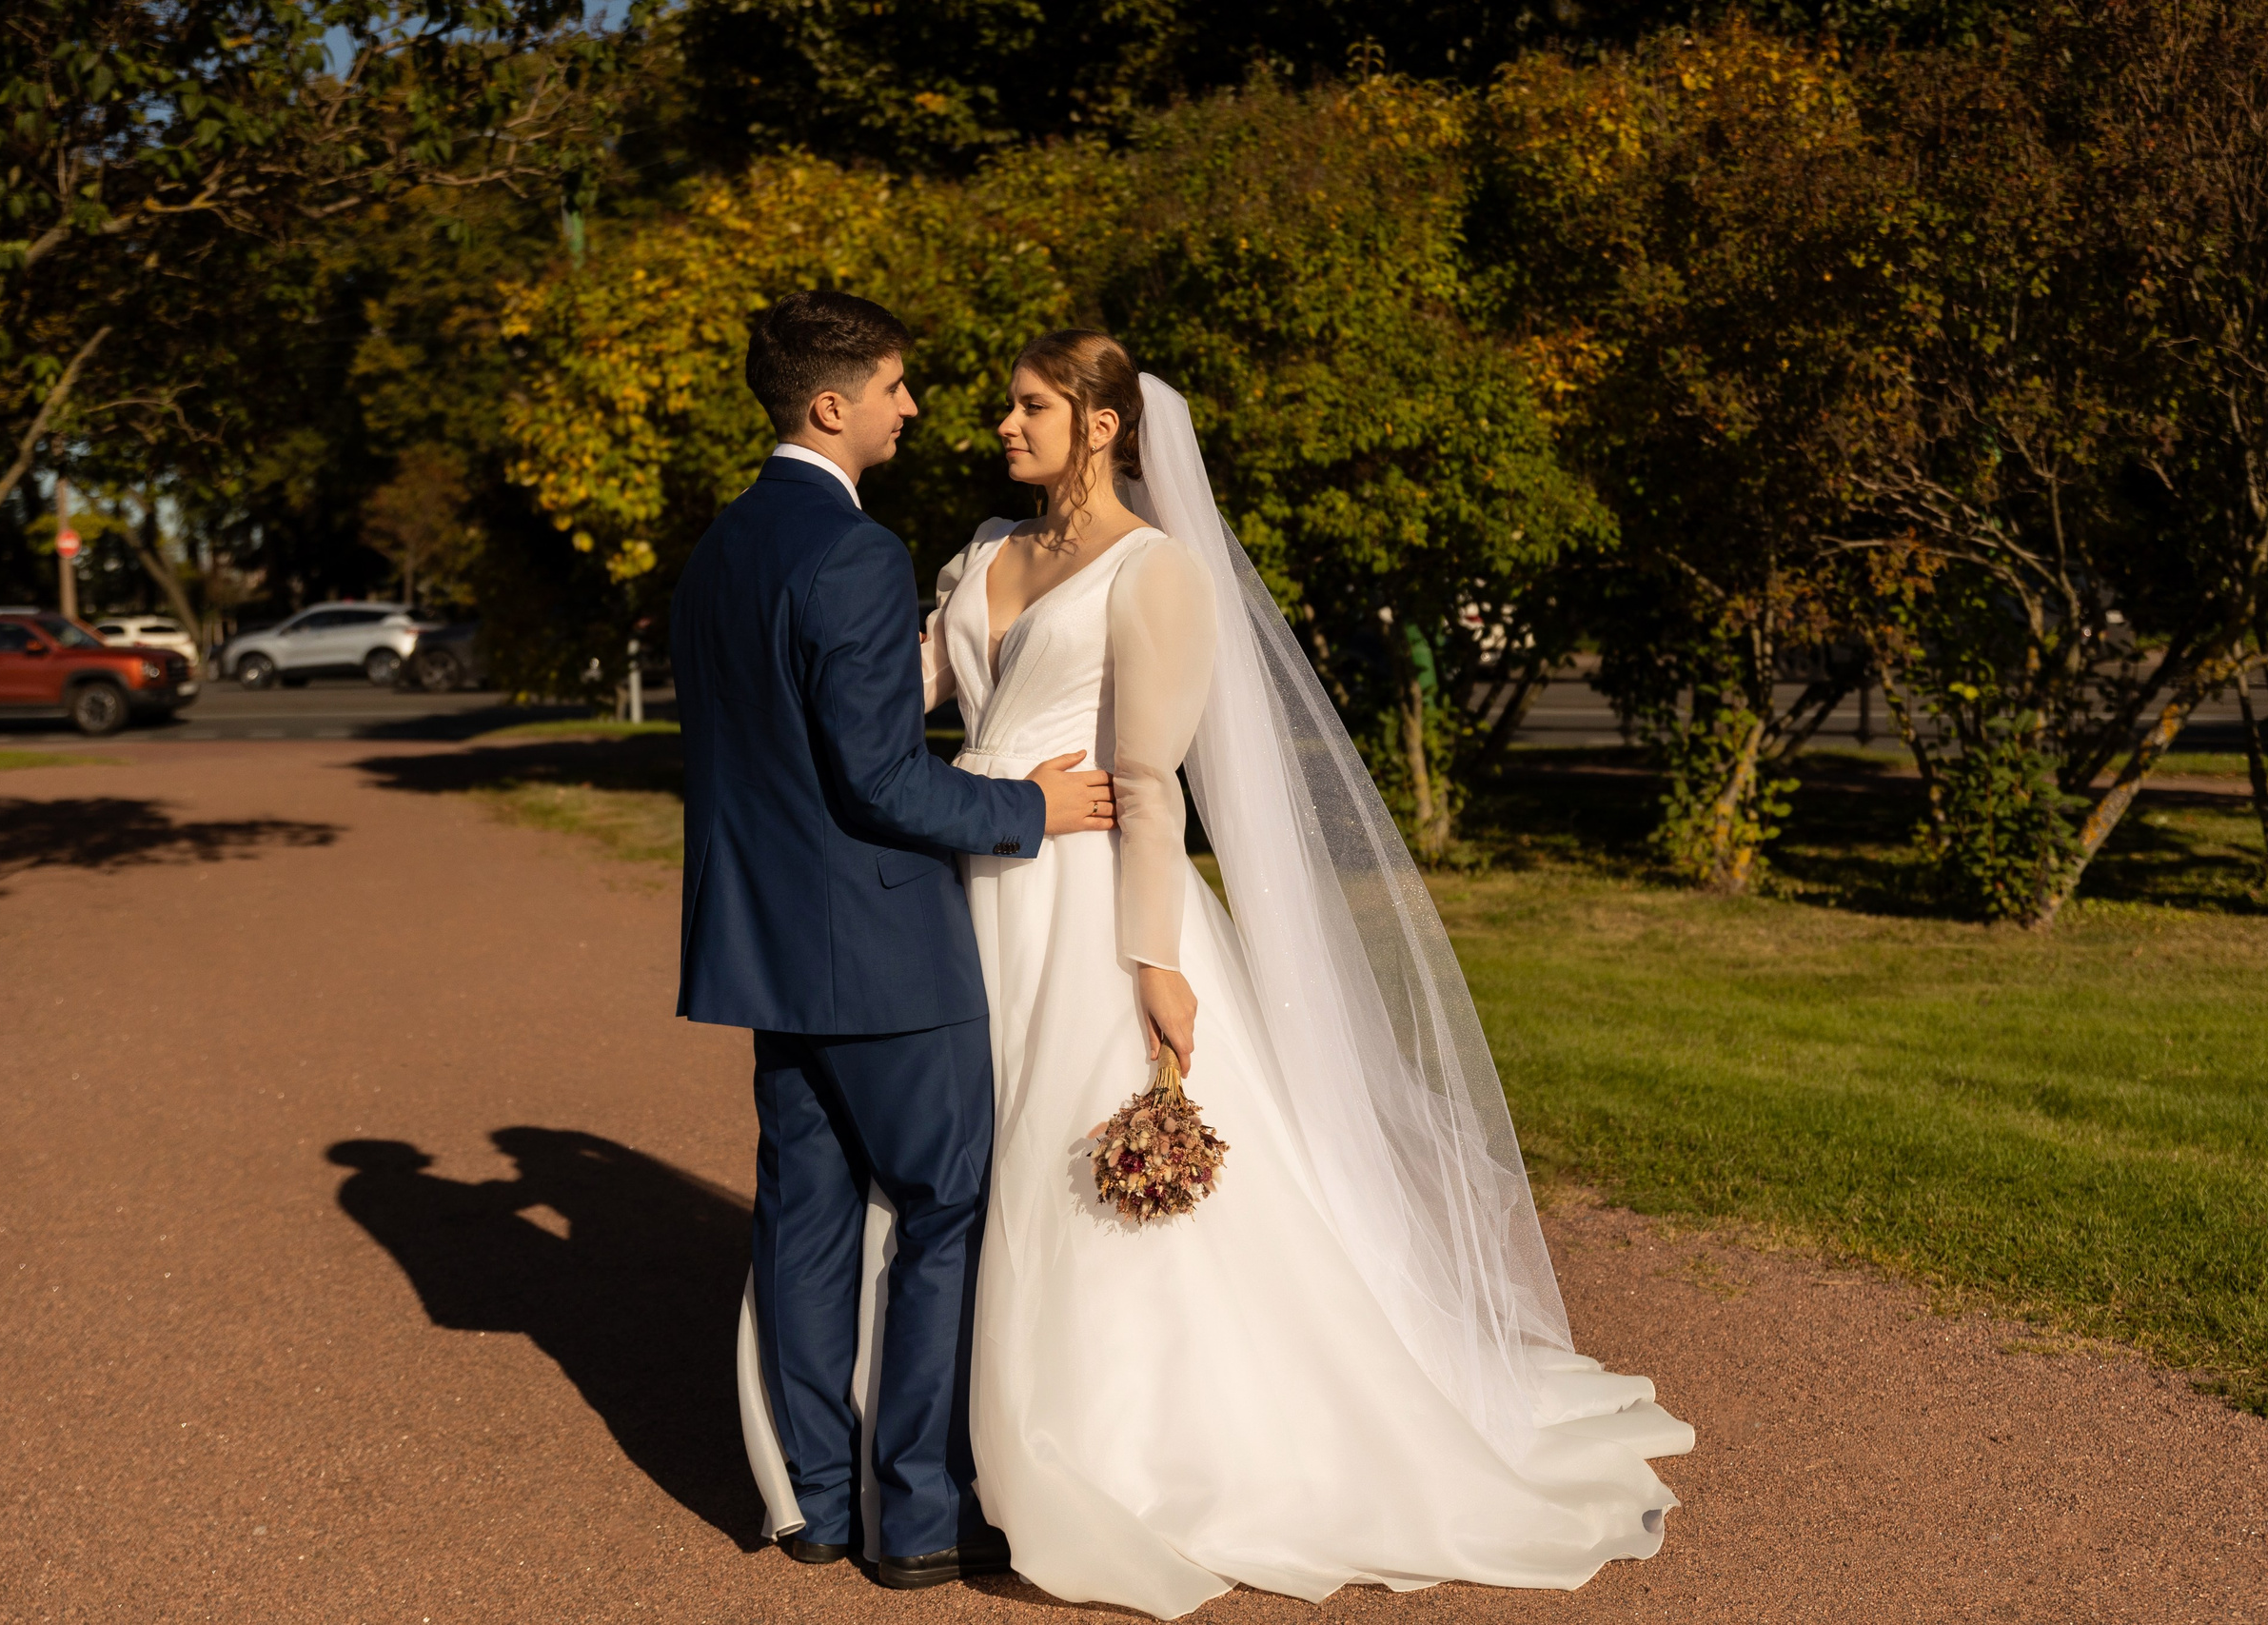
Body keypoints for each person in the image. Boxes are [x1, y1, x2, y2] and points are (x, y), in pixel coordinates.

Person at [738, 328, 1697, 1618]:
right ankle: (922, 1456)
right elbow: (886, 704)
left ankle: (1096, 1448)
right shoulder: (981, 553)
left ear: (1102, 425)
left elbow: (1147, 785)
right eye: (1003, 408)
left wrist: (1154, 961)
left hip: (1081, 909)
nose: (999, 427)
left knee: (1054, 1173)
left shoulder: (1158, 574)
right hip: (954, 896)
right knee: (949, 1177)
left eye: (1030, 408)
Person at [671, 291, 1117, 1589]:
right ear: (833, 406)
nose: (912, 407)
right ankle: (917, 1514)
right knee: (943, 1210)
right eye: (895, 386)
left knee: (805, 1220)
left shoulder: (723, 551)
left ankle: (813, 1500)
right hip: (881, 953)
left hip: (762, 948)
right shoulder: (852, 556)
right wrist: (1028, 807)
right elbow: (882, 783)